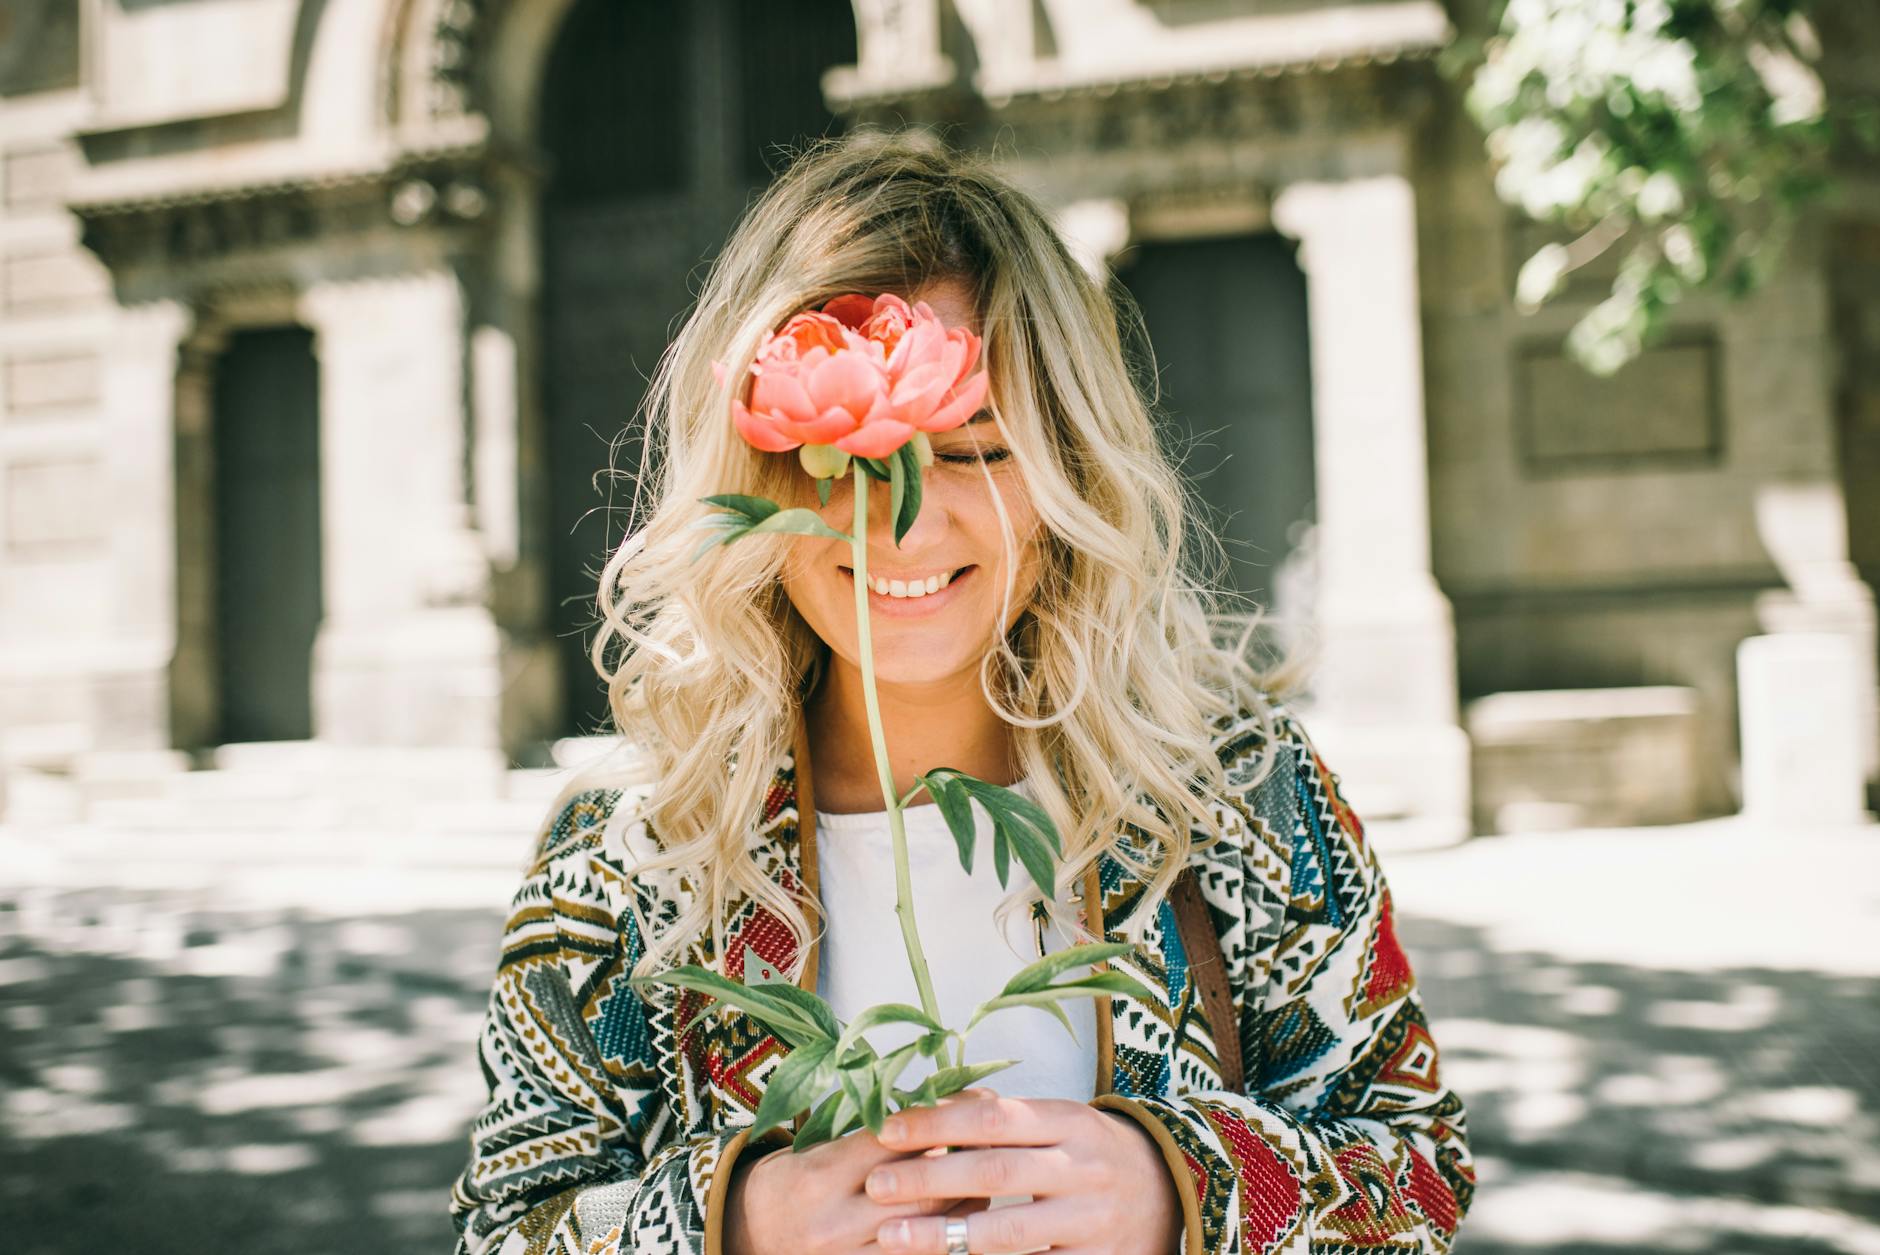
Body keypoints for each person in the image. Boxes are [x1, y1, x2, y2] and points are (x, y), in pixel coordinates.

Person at [448, 128, 1474, 1255]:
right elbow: (504, 1229)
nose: (902, 520)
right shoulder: (627, 857)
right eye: (843, 452)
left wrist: (1178, 1188)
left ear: (1068, 471)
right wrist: (727, 1222)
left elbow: (1418, 1175)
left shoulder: (1240, 794)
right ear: (754, 470)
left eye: (977, 447)